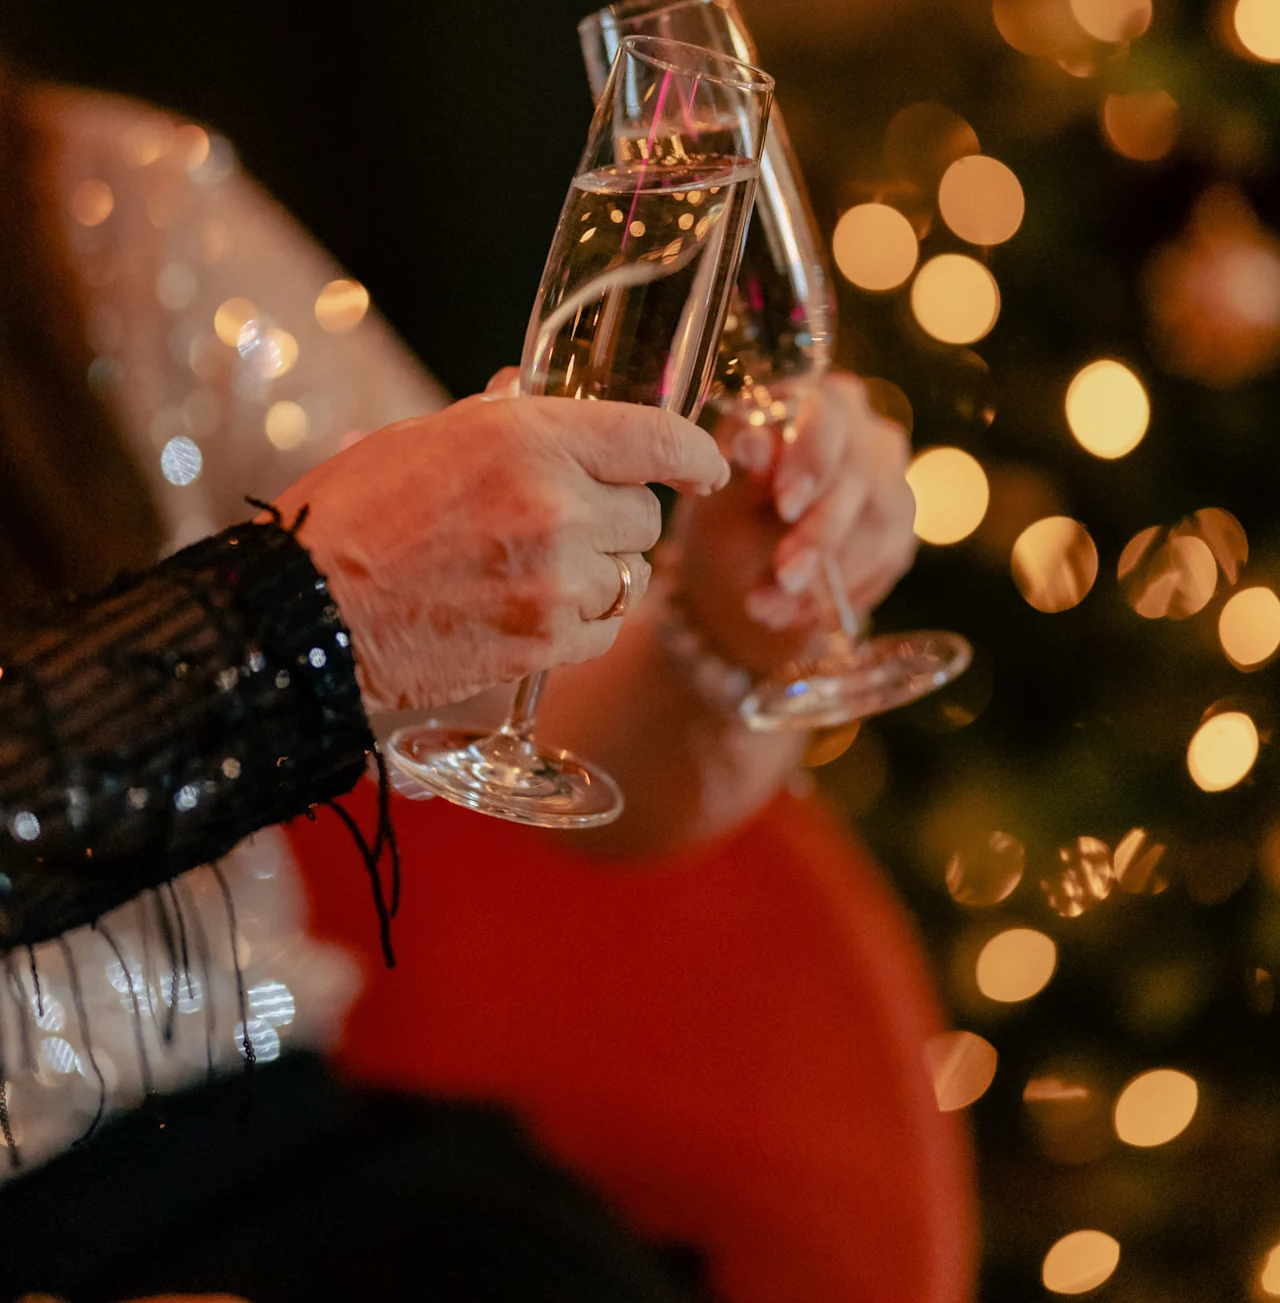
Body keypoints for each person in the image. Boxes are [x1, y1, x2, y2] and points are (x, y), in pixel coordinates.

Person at [0, 71, 965, 1303]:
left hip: (282, 1171)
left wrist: (726, 620)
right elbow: (350, 608)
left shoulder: (94, 206)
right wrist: (306, 618)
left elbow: (573, 746)